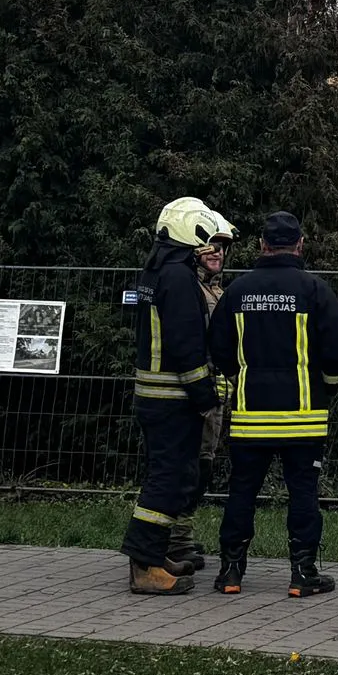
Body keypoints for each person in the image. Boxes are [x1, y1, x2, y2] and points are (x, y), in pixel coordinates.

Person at [207, 211, 338, 596]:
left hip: (250, 417)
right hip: (303, 418)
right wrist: (328, 387)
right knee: (303, 494)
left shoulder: (237, 291)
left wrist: (238, 379)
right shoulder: (315, 290)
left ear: (262, 245)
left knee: (242, 492)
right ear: (300, 244)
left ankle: (230, 573)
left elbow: (218, 347)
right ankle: (302, 574)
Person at [122, 197, 231, 594]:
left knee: (165, 477)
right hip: (173, 399)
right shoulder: (180, 278)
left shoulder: (156, 271)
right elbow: (187, 345)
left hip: (154, 397)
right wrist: (205, 397)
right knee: (168, 481)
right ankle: (144, 565)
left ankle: (153, 555)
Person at [168, 219, 238, 575]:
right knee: (191, 466)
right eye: (211, 246)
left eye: (222, 247)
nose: (218, 253)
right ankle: (175, 539)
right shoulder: (191, 290)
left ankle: (181, 533)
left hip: (216, 395)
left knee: (203, 465)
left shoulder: (217, 291)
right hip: (195, 394)